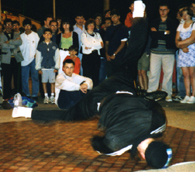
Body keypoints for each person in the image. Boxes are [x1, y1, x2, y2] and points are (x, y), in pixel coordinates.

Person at [12, 1, 170, 168]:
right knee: (67, 115)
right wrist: (127, 143)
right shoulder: (116, 142)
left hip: (122, 87)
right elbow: (97, 144)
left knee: (133, 54)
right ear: (143, 156)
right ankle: (24, 111)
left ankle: (138, 14)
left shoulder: (159, 122)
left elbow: (150, 103)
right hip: (99, 100)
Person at [147, 2, 177, 102]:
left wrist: (158, 33)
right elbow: (153, 35)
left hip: (168, 52)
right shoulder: (154, 21)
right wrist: (164, 33)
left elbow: (172, 37)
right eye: (160, 9)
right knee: (153, 73)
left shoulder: (173, 22)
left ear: (168, 10)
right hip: (155, 51)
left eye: (164, 10)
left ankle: (167, 94)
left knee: (168, 74)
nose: (162, 12)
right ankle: (151, 93)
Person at [175, 7, 195, 104]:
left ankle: (194, 96)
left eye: (186, 14)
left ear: (190, 14)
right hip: (183, 51)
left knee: (192, 74)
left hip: (191, 51)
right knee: (185, 74)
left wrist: (182, 45)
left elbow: (192, 38)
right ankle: (187, 95)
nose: (184, 16)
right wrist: (181, 47)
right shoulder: (180, 25)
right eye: (183, 14)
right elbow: (176, 40)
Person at [0, 19, 23, 109]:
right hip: (6, 59)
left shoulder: (17, 34)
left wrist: (9, 42)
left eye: (10, 24)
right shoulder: (1, 35)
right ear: (4, 25)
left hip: (16, 59)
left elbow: (20, 42)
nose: (9, 26)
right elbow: (2, 45)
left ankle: (18, 95)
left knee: (17, 78)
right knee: (7, 79)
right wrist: (14, 43)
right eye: (7, 24)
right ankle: (6, 97)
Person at [35, 28, 60, 104]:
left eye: (49, 34)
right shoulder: (40, 46)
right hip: (43, 67)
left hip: (52, 67)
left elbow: (57, 57)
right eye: (46, 34)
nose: (47, 35)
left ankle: (52, 96)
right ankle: (46, 96)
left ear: (51, 35)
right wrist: (38, 67)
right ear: (43, 35)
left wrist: (57, 67)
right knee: (44, 82)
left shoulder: (54, 45)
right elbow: (38, 57)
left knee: (52, 82)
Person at [20, 18, 40, 100]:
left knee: (35, 77)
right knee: (24, 78)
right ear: (24, 27)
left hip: (34, 59)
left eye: (28, 25)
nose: (27, 27)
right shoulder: (21, 36)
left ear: (31, 26)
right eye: (25, 26)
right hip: (24, 60)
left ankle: (35, 94)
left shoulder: (35, 35)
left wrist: (37, 54)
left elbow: (38, 46)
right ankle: (26, 94)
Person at [105, 9, 129, 77]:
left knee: (119, 75)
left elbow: (123, 43)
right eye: (112, 17)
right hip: (109, 57)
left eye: (115, 17)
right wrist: (106, 54)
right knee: (110, 75)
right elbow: (106, 42)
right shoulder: (109, 29)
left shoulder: (123, 28)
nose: (113, 19)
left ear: (119, 17)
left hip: (119, 56)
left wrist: (115, 54)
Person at [81, 19, 104, 87]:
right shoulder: (84, 34)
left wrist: (91, 46)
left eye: (93, 25)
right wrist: (97, 44)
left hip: (96, 56)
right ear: (87, 26)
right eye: (90, 25)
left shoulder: (97, 34)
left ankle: (95, 92)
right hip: (87, 57)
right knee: (87, 76)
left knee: (95, 76)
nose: (91, 26)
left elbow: (102, 45)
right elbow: (86, 44)